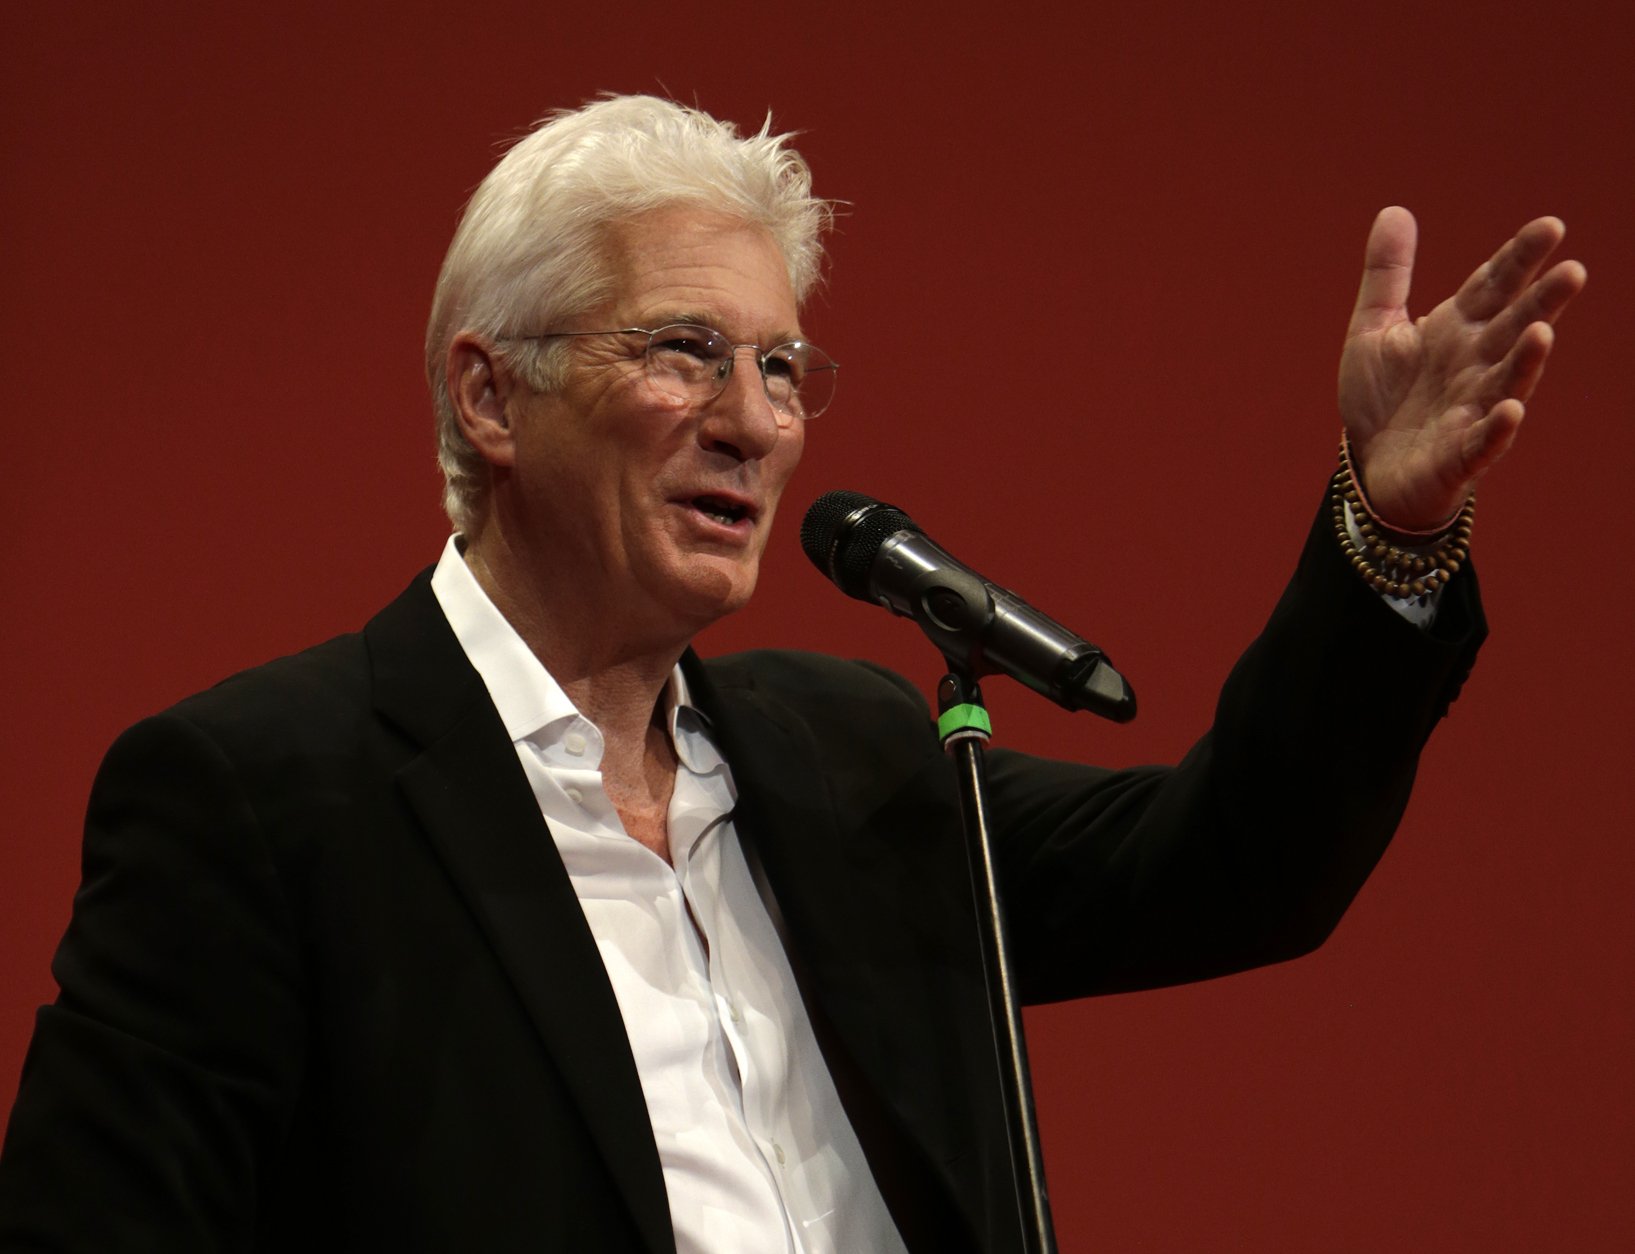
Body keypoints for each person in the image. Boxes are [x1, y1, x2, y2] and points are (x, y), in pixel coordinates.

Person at [0, 95, 1585, 1253]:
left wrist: (1387, 523)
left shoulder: (855, 758)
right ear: (490, 396)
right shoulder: (263, 799)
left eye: (781, 367)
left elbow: (1233, 869)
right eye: (682, 349)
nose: (755, 422)